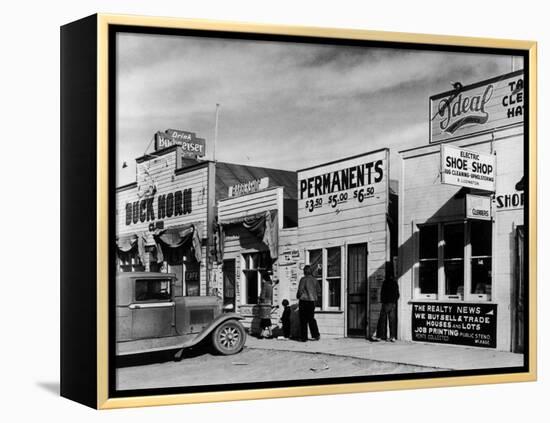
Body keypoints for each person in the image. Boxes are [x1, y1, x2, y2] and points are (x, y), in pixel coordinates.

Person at [371, 262, 400, 342]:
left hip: (386, 303)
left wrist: (383, 301)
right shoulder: (395, 283)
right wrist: (394, 301)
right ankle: (392, 336)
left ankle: (380, 336)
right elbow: (398, 294)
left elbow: (382, 293)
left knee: (382, 320)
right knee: (392, 320)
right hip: (392, 303)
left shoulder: (385, 283)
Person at [296, 265, 320, 342]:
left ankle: (304, 337)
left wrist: (298, 296)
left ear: (304, 272)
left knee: (303, 320)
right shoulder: (315, 280)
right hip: (312, 301)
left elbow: (300, 291)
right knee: (311, 319)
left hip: (304, 300)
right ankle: (316, 335)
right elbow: (319, 290)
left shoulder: (303, 279)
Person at [259, 272, 274, 338]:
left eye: (262, 278)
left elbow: (262, 296)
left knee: (265, 320)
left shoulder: (265, 285)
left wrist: (259, 297)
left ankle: (266, 334)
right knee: (266, 320)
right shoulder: (270, 285)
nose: (262, 280)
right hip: (269, 303)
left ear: (264, 279)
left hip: (264, 304)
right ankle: (263, 334)